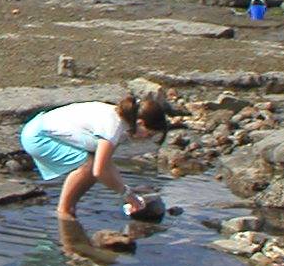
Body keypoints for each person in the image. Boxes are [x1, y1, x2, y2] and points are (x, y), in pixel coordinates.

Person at [20, 94, 171, 220]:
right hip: (38, 136)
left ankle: (70, 207)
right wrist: (125, 194)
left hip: (39, 128)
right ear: (140, 123)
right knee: (89, 167)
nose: (146, 139)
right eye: (149, 134)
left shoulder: (121, 124)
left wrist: (128, 191)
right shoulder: (113, 128)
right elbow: (99, 171)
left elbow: (106, 165)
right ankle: (63, 211)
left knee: (93, 165)